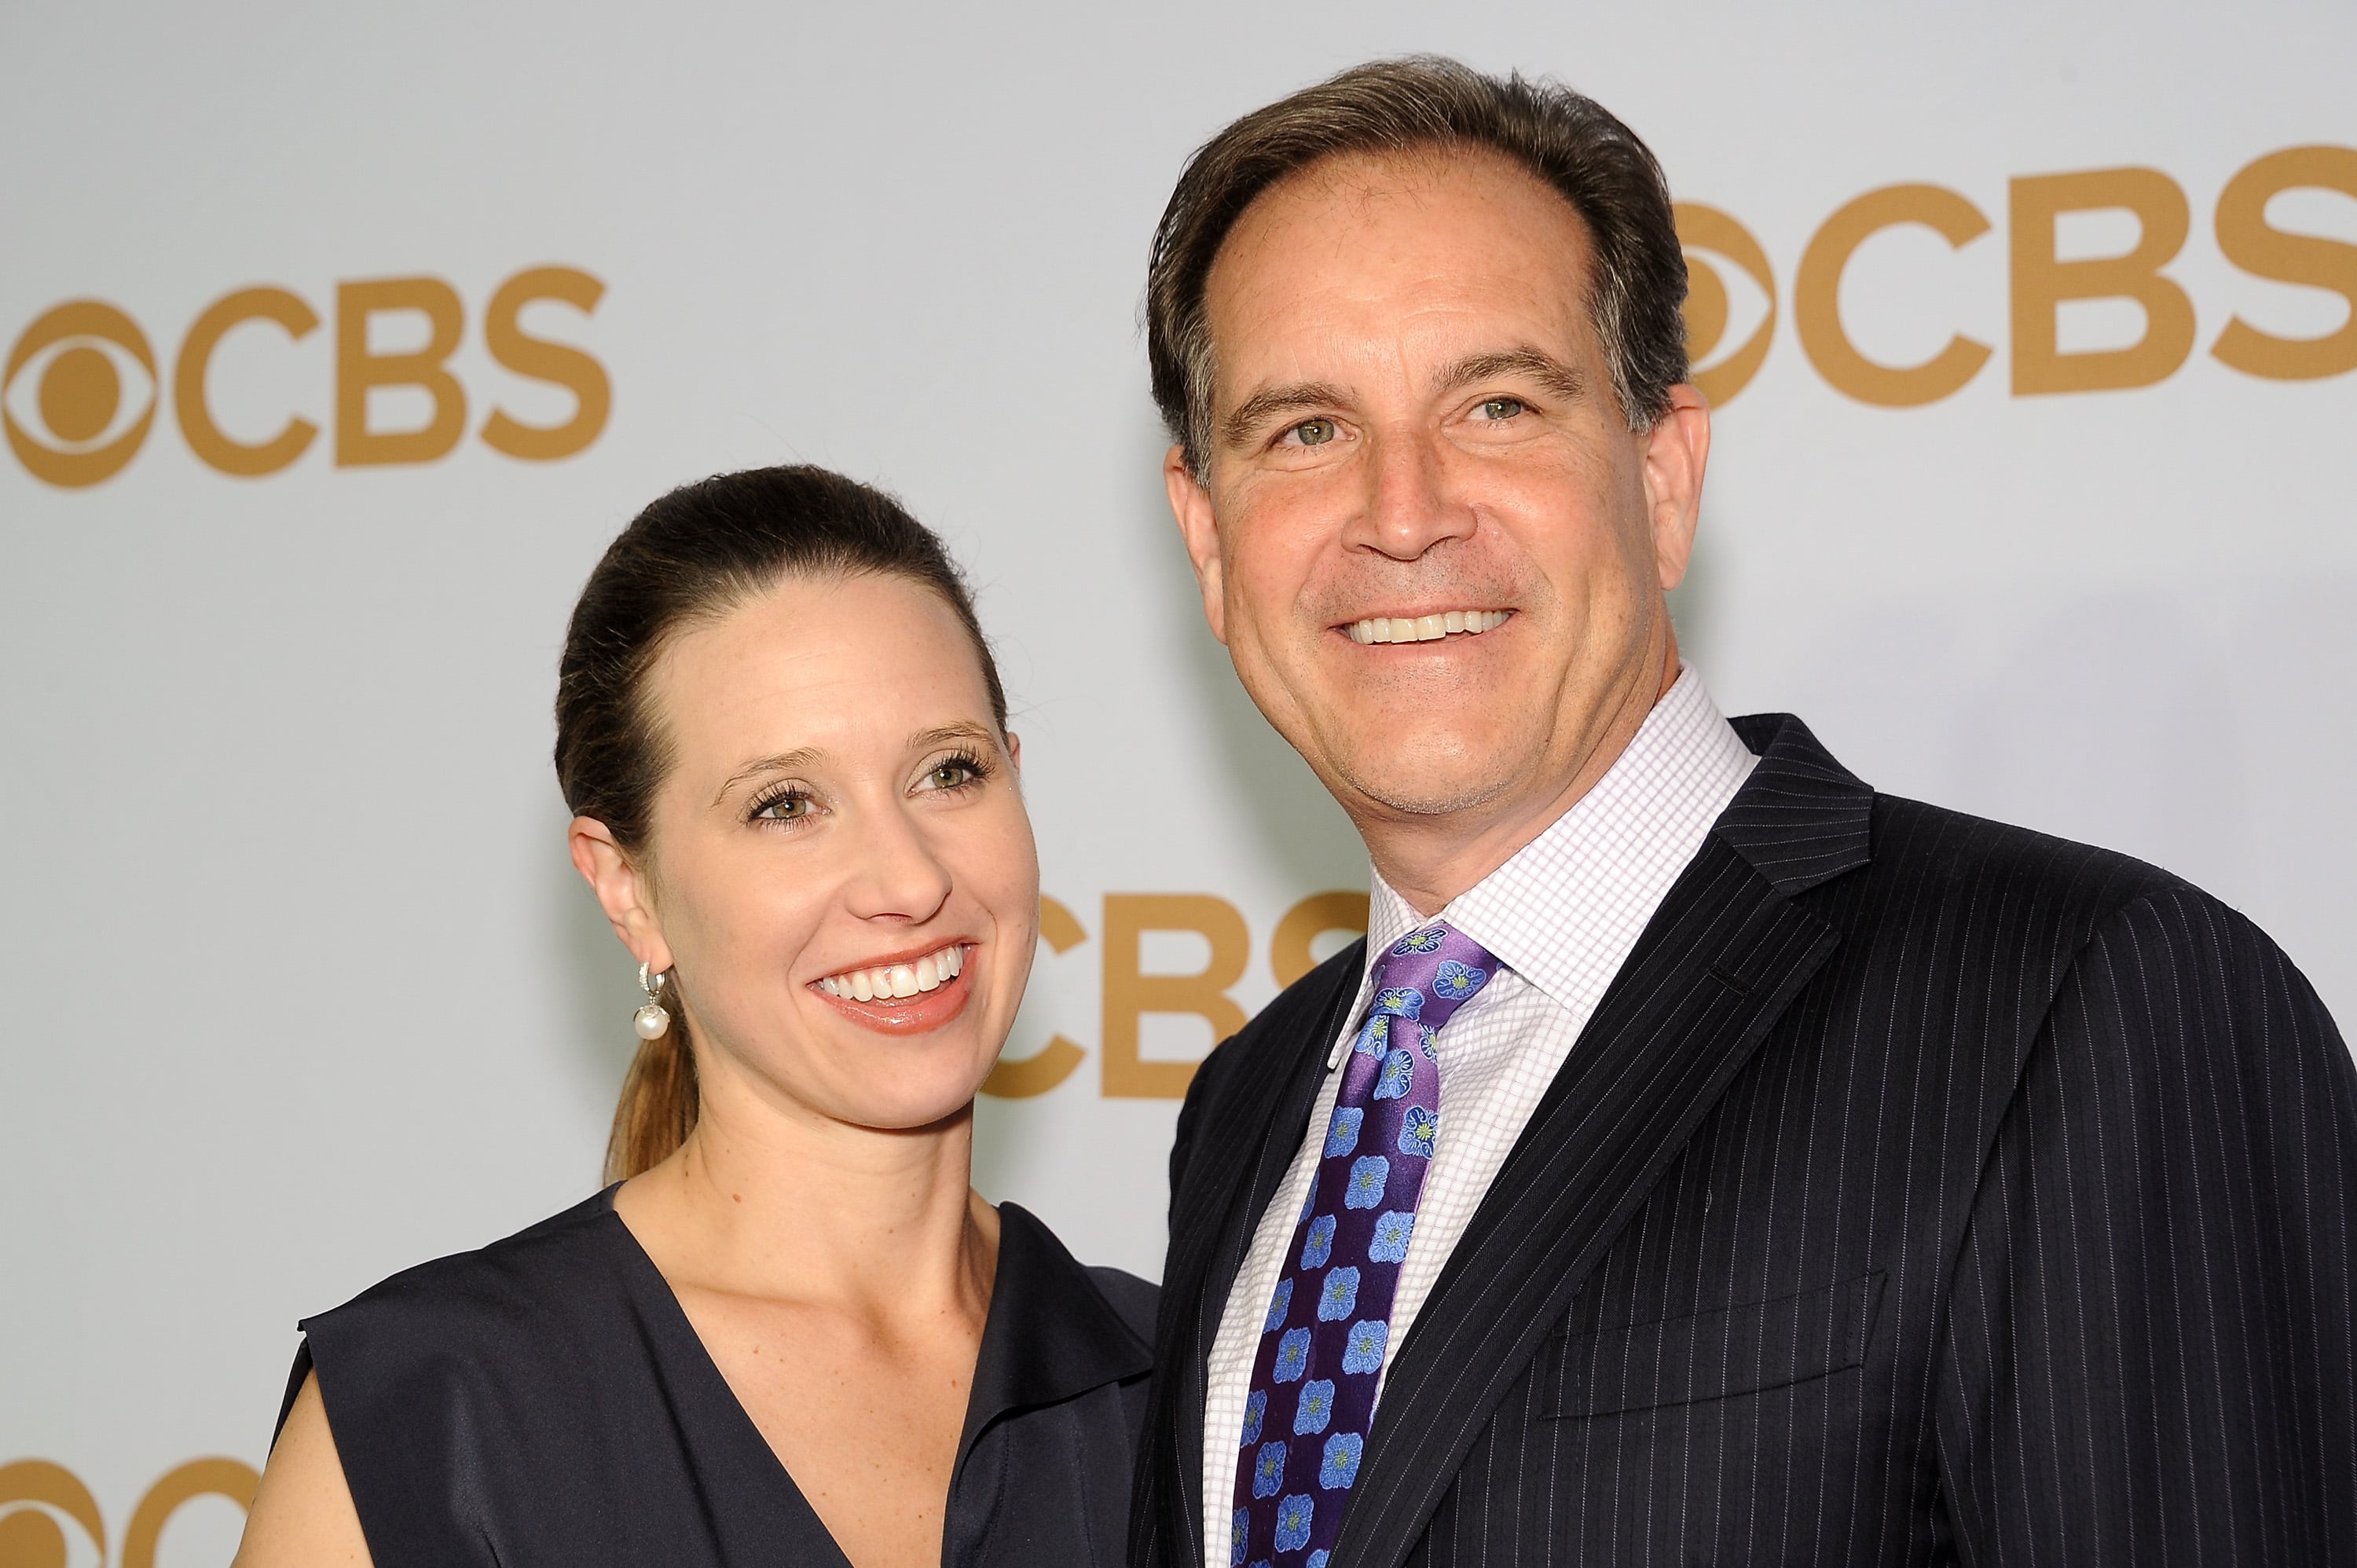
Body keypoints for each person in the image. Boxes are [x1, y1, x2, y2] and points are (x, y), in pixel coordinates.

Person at [1131, 57, 2357, 1568]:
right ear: (1208, 537)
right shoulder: (1249, 1104)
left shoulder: (2089, 1003)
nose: (1403, 512)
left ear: (1663, 477)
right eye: (1306, 431)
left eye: (1498, 405)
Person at [233, 466, 1153, 1568]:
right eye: (786, 804)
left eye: (948, 772)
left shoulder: (1194, 1388)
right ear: (627, 887)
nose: (909, 879)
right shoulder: (436, 1417)